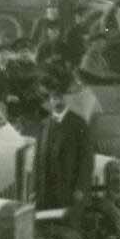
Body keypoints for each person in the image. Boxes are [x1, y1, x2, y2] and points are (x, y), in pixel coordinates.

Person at [35, 78, 94, 212]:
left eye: (60, 97)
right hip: (46, 195)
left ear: (67, 99)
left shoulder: (79, 124)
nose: (57, 101)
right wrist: (35, 190)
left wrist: (80, 189)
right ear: (50, 100)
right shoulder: (44, 125)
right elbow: (37, 161)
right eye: (53, 97)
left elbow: (87, 160)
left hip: (70, 194)